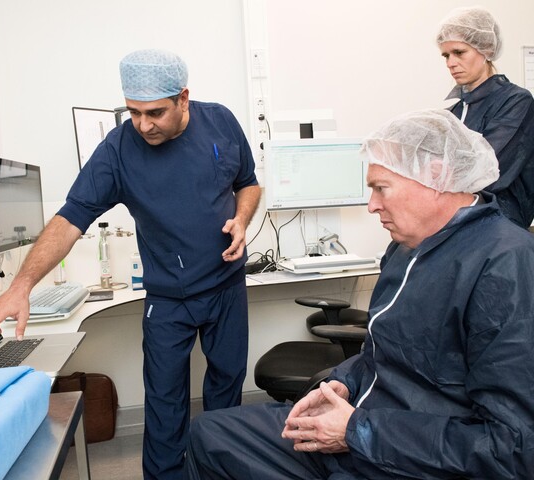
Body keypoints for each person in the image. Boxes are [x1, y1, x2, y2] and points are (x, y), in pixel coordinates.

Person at [184, 109, 534, 479]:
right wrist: (340, 383)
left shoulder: (503, 265)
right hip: (361, 430)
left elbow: (512, 448)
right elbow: (379, 353)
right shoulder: (405, 249)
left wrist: (357, 432)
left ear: (437, 176)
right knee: (210, 435)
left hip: (407, 459)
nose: (372, 205)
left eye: (381, 187)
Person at [0, 49, 261, 479]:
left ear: (184, 98)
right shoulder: (120, 149)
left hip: (227, 285)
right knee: (164, 406)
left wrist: (242, 219)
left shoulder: (221, 121)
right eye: (133, 112)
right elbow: (70, 219)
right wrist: (21, 286)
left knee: (225, 392)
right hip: (169, 298)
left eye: (155, 112)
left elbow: (248, 183)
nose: (143, 125)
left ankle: (218, 470)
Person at [436, 6, 534, 228]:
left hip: (499, 226)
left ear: (486, 50)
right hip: (457, 223)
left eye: (459, 53)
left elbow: (487, 169)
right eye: (446, 55)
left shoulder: (516, 102)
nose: (451, 63)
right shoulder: (453, 113)